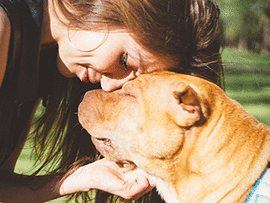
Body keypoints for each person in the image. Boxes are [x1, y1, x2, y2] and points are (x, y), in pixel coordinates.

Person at [0, 0, 223, 202]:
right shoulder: (3, 27)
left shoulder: (36, 57)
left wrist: (80, 178)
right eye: (124, 61)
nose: (107, 86)